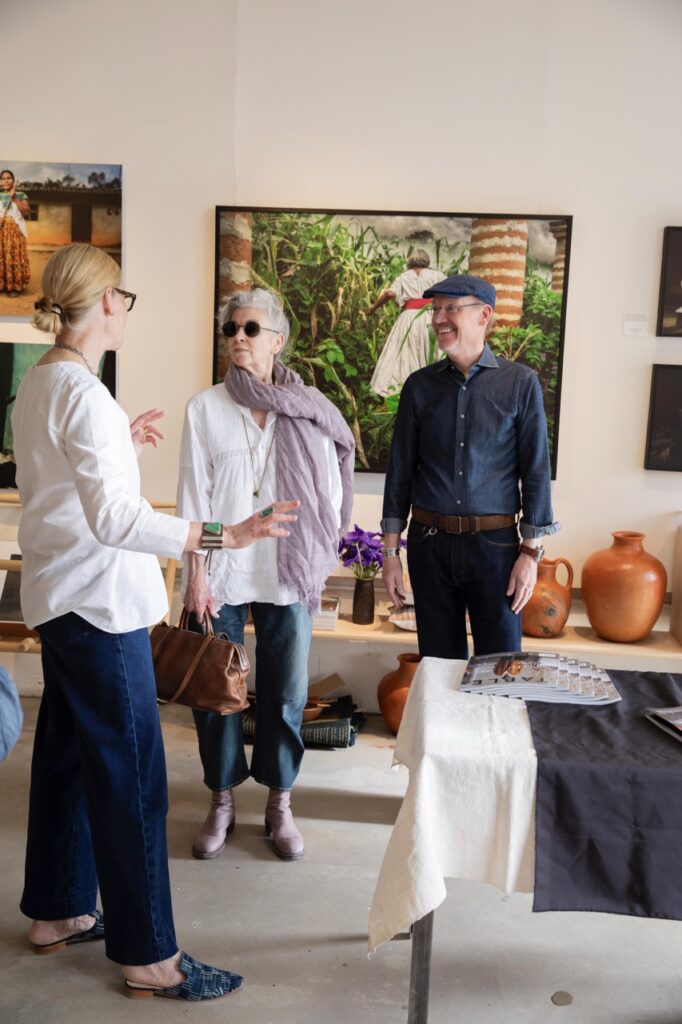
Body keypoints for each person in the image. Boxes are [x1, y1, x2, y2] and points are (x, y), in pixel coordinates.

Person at [13, 243, 299, 1001]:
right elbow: (114, 519)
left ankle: (57, 910)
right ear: (107, 302)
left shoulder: (43, 381)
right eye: (125, 299)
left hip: (61, 602)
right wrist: (224, 534)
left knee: (66, 759)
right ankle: (149, 958)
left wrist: (119, 442)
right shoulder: (83, 395)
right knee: (135, 777)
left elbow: (62, 488)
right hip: (99, 610)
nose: (127, 311)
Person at [177, 287, 354, 862]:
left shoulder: (308, 409)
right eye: (231, 328)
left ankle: (280, 801)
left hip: (287, 571)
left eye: (251, 329)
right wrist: (196, 574)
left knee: (286, 692)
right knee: (215, 693)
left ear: (277, 340)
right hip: (222, 572)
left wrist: (316, 558)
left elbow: (329, 492)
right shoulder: (205, 408)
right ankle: (222, 799)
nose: (238, 338)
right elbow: (192, 499)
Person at [381, 274, 560, 660]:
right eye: (435, 310)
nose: (438, 319)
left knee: (500, 669)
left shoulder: (520, 383)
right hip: (429, 545)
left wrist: (530, 555)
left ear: (483, 315)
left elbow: (535, 473)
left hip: (496, 550)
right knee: (438, 668)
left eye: (450, 308)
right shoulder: (419, 386)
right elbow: (400, 473)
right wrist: (391, 553)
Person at [365, 249, 445, 397]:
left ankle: (403, 390)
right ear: (427, 261)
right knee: (432, 350)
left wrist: (372, 309)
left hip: (409, 318)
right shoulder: (437, 275)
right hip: (431, 316)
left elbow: (389, 293)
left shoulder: (403, 277)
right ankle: (432, 390)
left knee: (403, 352)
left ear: (410, 261)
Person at [0, 169, 31, 296]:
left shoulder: (21, 195)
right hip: (1, 230)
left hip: (15, 230)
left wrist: (15, 199)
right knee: (2, 256)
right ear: (0, 182)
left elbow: (26, 212)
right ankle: (2, 285)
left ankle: (15, 287)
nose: (6, 181)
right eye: (3, 179)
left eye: (9, 178)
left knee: (14, 256)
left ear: (13, 180)